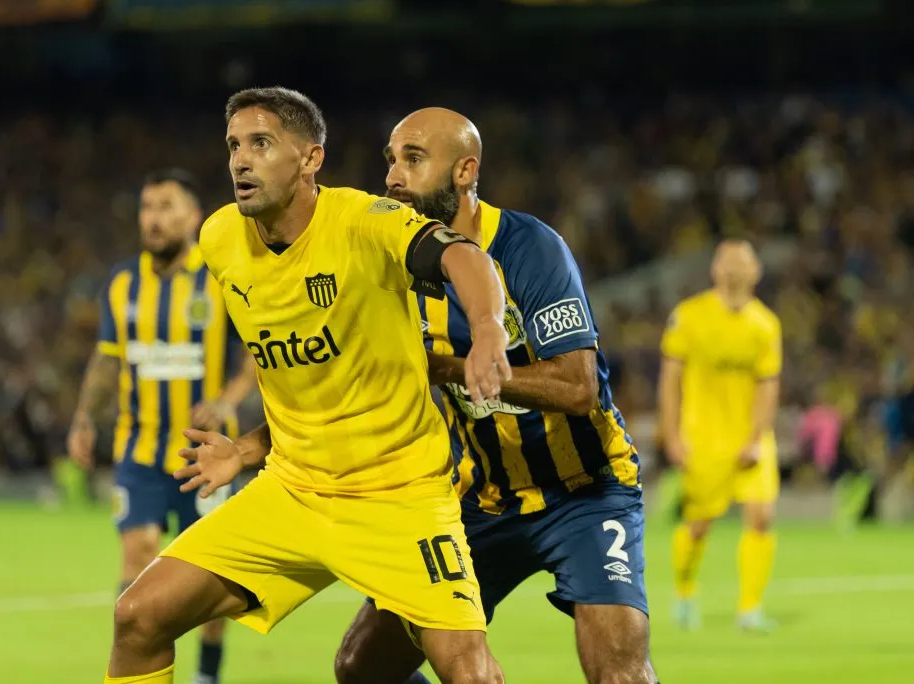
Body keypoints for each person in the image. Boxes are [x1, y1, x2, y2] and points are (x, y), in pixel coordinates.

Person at [103, 87, 513, 684]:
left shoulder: (367, 222)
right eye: (234, 145)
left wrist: (488, 330)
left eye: (261, 143)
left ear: (310, 158)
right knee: (137, 618)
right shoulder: (220, 240)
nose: (240, 160)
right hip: (293, 490)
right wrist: (244, 450)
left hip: (398, 496)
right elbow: (307, 379)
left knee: (469, 672)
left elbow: (464, 258)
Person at [333, 108, 657, 684]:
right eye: (391, 160)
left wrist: (454, 368)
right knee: (362, 667)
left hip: (585, 491)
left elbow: (579, 387)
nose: (392, 177)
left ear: (464, 171)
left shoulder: (532, 248)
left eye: (413, 159)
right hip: (480, 502)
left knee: (619, 673)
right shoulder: (393, 269)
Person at [67, 169, 256, 684]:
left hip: (206, 456)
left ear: (193, 216)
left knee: (210, 576)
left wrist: (224, 400)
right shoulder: (123, 282)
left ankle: (207, 675)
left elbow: (253, 358)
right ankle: (135, 665)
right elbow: (107, 360)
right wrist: (85, 418)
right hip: (141, 451)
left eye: (166, 206)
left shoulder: (221, 279)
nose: (153, 218)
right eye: (147, 206)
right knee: (139, 553)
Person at [658, 239, 782, 632]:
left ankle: (750, 609)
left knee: (761, 516)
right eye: (726, 261)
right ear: (714, 270)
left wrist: (757, 437)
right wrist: (672, 434)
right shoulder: (689, 316)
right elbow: (670, 381)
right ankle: (684, 592)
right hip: (702, 438)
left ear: (756, 272)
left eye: (741, 262)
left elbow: (768, 385)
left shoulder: (766, 324)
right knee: (699, 524)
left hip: (749, 436)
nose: (732, 269)